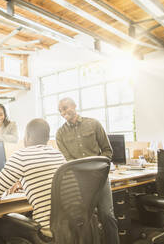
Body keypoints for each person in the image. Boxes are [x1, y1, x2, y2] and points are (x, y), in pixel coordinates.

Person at [0, 118, 67, 243]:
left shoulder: (21, 156)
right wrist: (23, 182)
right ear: (47, 138)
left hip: (46, 234)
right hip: (68, 230)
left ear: (27, 136)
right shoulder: (58, 154)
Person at [56, 97, 119, 244]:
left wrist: (100, 170)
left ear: (74, 106)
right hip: (80, 182)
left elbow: (107, 151)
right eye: (60, 110)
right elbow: (68, 161)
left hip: (100, 178)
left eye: (65, 107)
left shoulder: (93, 124)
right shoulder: (60, 134)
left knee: (107, 215)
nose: (63, 112)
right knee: (85, 220)